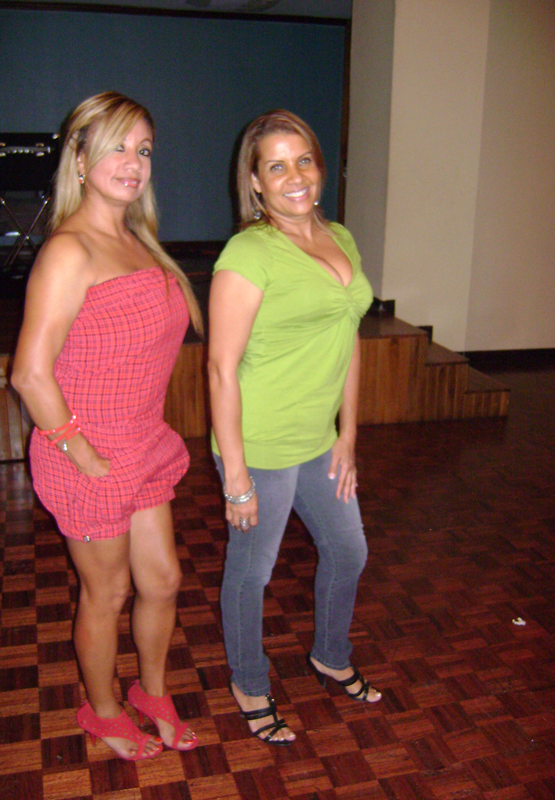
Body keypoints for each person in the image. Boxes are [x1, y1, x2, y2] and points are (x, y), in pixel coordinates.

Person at [12, 92, 202, 761]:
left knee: (163, 580)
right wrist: (81, 452)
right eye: (117, 146)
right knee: (109, 590)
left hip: (142, 443)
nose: (133, 162)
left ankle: (152, 692)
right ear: (80, 158)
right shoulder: (69, 251)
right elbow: (29, 374)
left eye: (143, 149)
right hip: (84, 452)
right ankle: (102, 710)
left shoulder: (137, 241)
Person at [207, 109, 382, 745]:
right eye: (275, 166)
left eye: (303, 160)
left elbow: (348, 335)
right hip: (261, 442)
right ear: (254, 182)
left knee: (350, 550)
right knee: (253, 571)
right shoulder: (248, 253)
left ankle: (330, 655)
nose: (295, 176)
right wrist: (237, 479)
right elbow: (221, 368)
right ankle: (249, 681)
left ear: (320, 166)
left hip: (319, 438)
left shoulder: (341, 237)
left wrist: (348, 434)